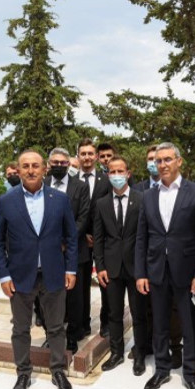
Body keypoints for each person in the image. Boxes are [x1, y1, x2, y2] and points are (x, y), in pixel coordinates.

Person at [0, 150, 78, 389]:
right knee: (21, 328)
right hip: (19, 277)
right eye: (25, 166)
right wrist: (3, 276)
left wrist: (70, 268)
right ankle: (23, 372)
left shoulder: (59, 199)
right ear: (18, 170)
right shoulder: (6, 201)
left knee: (56, 327)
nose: (30, 170)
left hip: (54, 274)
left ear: (45, 169)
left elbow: (71, 237)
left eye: (35, 166)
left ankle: (58, 370)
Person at [135, 142, 195, 389]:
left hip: (187, 272)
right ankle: (162, 369)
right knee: (159, 323)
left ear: (179, 161)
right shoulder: (148, 195)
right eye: (159, 161)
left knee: (189, 325)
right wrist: (141, 273)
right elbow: (142, 238)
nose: (163, 165)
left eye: (168, 159)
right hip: (156, 271)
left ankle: (190, 374)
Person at [93, 156, 148, 374]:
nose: (116, 175)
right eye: (112, 171)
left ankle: (140, 354)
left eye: (120, 171)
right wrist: (100, 267)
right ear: (108, 175)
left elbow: (146, 235)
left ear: (128, 173)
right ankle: (116, 353)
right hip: (111, 268)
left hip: (136, 268)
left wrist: (144, 268)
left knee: (139, 314)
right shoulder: (101, 203)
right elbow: (98, 239)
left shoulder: (142, 199)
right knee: (114, 314)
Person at [44, 148, 90, 351]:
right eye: (55, 162)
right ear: (49, 163)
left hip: (74, 250)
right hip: (47, 252)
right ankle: (52, 334)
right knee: (49, 296)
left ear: (69, 165)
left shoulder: (80, 187)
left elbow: (83, 217)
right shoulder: (42, 185)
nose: (59, 166)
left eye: (63, 163)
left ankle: (73, 335)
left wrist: (66, 240)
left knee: (74, 297)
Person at [76, 138, 111, 337]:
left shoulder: (106, 181)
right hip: (80, 240)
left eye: (90, 154)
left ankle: (106, 322)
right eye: (83, 154)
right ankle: (83, 323)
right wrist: (82, 235)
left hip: (102, 241)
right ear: (78, 156)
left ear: (96, 157)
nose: (87, 157)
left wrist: (98, 236)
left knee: (106, 284)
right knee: (81, 286)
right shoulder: (72, 181)